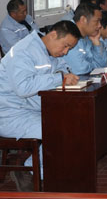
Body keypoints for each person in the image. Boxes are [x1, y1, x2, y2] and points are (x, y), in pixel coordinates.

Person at [0, 21, 81, 191]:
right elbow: (23, 88)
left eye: (69, 48)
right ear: (53, 35)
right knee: (58, 129)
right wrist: (59, 78)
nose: (65, 52)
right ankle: (30, 172)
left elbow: (64, 69)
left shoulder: (50, 51)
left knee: (75, 122)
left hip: (31, 110)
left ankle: (48, 170)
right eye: (65, 46)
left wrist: (66, 75)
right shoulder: (24, 51)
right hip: (10, 114)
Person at [60, 3, 107, 76]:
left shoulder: (88, 35)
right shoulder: (68, 34)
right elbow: (79, 70)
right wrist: (95, 66)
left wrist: (97, 43)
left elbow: (103, 64)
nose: (100, 25)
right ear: (83, 20)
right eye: (97, 21)